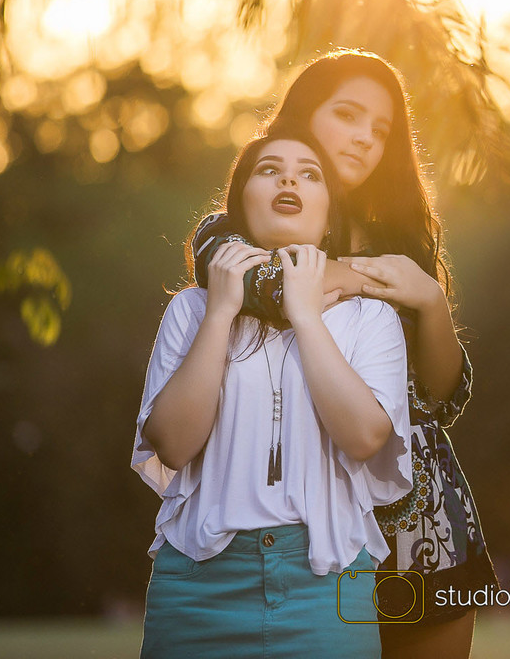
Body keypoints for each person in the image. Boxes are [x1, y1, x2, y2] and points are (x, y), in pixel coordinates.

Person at [189, 49, 497, 658]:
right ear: (303, 114)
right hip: (300, 528)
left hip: (422, 522)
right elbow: (273, 289)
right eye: (348, 115)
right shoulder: (228, 235)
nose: (365, 139)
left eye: (380, 130)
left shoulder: (398, 241)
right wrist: (367, 276)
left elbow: (440, 398)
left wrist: (431, 299)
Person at [133, 132, 412, 658]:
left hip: (327, 589)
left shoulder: (370, 318)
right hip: (197, 590)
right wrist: (220, 312)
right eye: (269, 169)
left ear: (329, 218)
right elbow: (173, 444)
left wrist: (305, 316)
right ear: (239, 207)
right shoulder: (191, 310)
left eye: (310, 173)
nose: (288, 178)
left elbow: (364, 437)